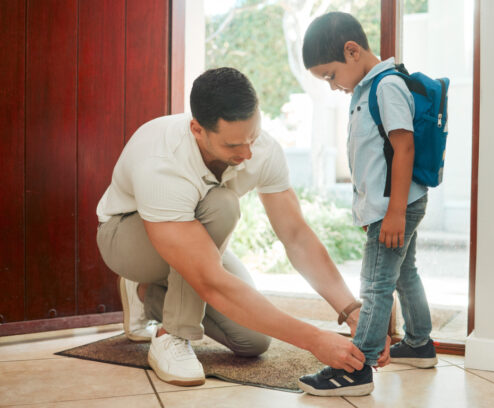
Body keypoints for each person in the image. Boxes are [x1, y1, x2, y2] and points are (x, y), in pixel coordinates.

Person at [96, 67, 389, 387]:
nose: (248, 153)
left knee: (253, 341)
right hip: (126, 238)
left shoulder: (261, 149)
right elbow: (210, 281)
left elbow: (296, 236)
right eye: (234, 145)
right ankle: (172, 334)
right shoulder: (163, 158)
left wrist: (350, 310)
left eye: (253, 136)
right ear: (197, 129)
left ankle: (146, 294)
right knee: (222, 206)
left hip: (190, 237)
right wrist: (314, 339)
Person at [297, 12, 438, 397]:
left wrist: (392, 212)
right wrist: (371, 210)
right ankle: (420, 343)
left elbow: (403, 145)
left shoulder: (386, 85)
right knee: (404, 273)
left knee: (376, 285)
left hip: (397, 207)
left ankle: (357, 366)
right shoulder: (365, 89)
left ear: (352, 51)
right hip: (392, 206)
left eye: (329, 75)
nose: (331, 86)